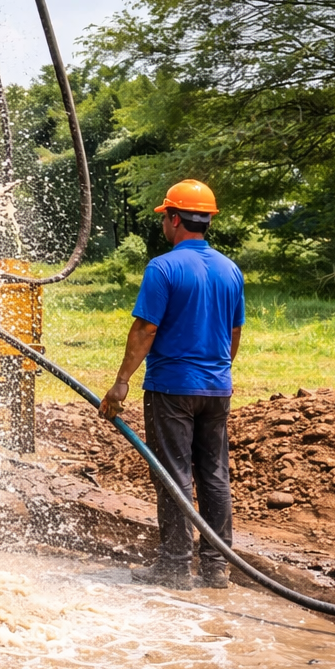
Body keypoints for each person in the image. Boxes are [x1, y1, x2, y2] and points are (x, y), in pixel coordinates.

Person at [99, 180, 244, 590]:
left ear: (175, 219)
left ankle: (175, 566)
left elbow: (146, 328)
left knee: (173, 474)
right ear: (207, 220)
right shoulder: (230, 270)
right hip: (217, 389)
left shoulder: (163, 268)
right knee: (214, 475)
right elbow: (233, 335)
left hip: (171, 389)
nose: (165, 222)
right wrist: (214, 373)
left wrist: (121, 383)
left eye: (166, 216)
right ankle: (217, 569)